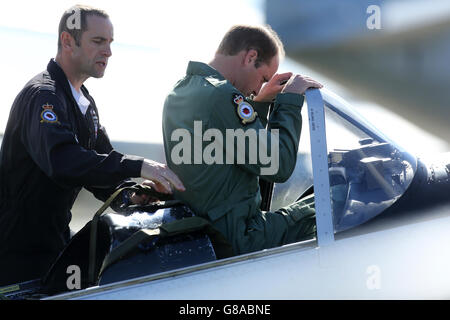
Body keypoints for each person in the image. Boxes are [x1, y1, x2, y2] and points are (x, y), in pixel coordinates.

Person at [0, 5, 185, 286]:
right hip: (15, 257)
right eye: (98, 41)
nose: (108, 51)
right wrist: (139, 165)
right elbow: (63, 161)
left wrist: (130, 197)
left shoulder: (83, 103)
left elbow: (99, 164)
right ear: (67, 41)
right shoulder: (42, 96)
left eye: (110, 43)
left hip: (53, 249)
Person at [162, 25, 322, 255]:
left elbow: (224, 141)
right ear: (250, 57)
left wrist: (259, 103)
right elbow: (278, 164)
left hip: (206, 233)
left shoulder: (181, 91)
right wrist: (289, 102)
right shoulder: (222, 96)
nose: (259, 87)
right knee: (329, 205)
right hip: (239, 237)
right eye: (263, 78)